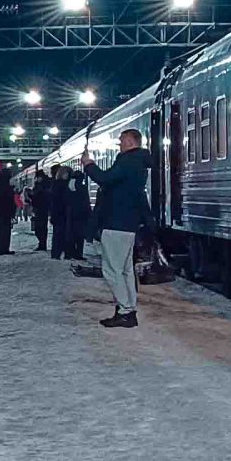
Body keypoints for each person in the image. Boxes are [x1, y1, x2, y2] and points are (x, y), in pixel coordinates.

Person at [83, 129, 157, 327]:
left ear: (131, 142)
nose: (119, 144)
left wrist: (89, 165)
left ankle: (125, 311)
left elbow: (105, 178)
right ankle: (128, 308)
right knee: (125, 270)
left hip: (116, 222)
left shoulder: (128, 161)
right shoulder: (139, 163)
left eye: (122, 140)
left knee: (112, 270)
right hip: (127, 224)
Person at [30, 178, 52, 251]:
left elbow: (36, 199)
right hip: (43, 210)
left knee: (39, 228)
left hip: (39, 210)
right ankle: (43, 244)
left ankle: (42, 244)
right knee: (42, 228)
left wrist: (31, 197)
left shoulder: (39, 189)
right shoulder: (46, 187)